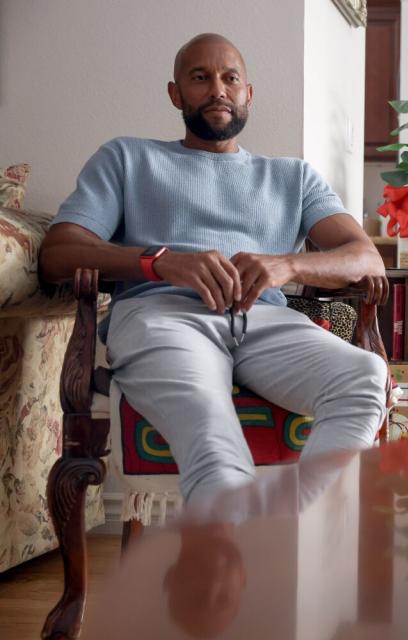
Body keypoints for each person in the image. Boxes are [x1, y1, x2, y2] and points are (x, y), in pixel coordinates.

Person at [39, 33, 389, 504]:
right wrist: (160, 262)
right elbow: (58, 253)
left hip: (266, 322)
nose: (218, 90)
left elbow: (365, 258)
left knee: (365, 378)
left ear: (249, 93)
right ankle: (234, 558)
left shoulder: (293, 177)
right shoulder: (126, 158)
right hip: (162, 317)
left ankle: (293, 539)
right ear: (175, 93)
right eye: (200, 78)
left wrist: (286, 264)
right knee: (212, 429)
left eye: (230, 78)